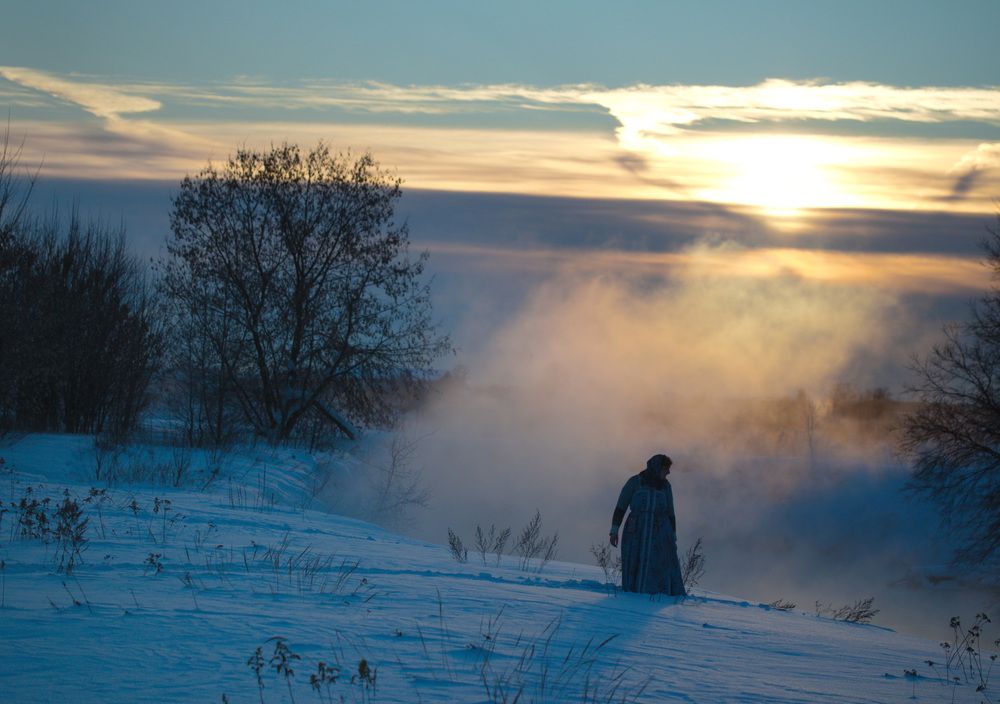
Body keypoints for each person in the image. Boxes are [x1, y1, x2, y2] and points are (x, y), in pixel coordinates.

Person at [609, 453, 686, 596]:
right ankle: (634, 592)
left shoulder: (665, 487)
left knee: (659, 563)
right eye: (665, 469)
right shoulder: (635, 482)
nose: (668, 472)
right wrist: (614, 530)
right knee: (635, 560)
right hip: (636, 531)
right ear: (656, 468)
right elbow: (621, 507)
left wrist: (672, 536)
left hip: (660, 533)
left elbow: (670, 512)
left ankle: (657, 593)